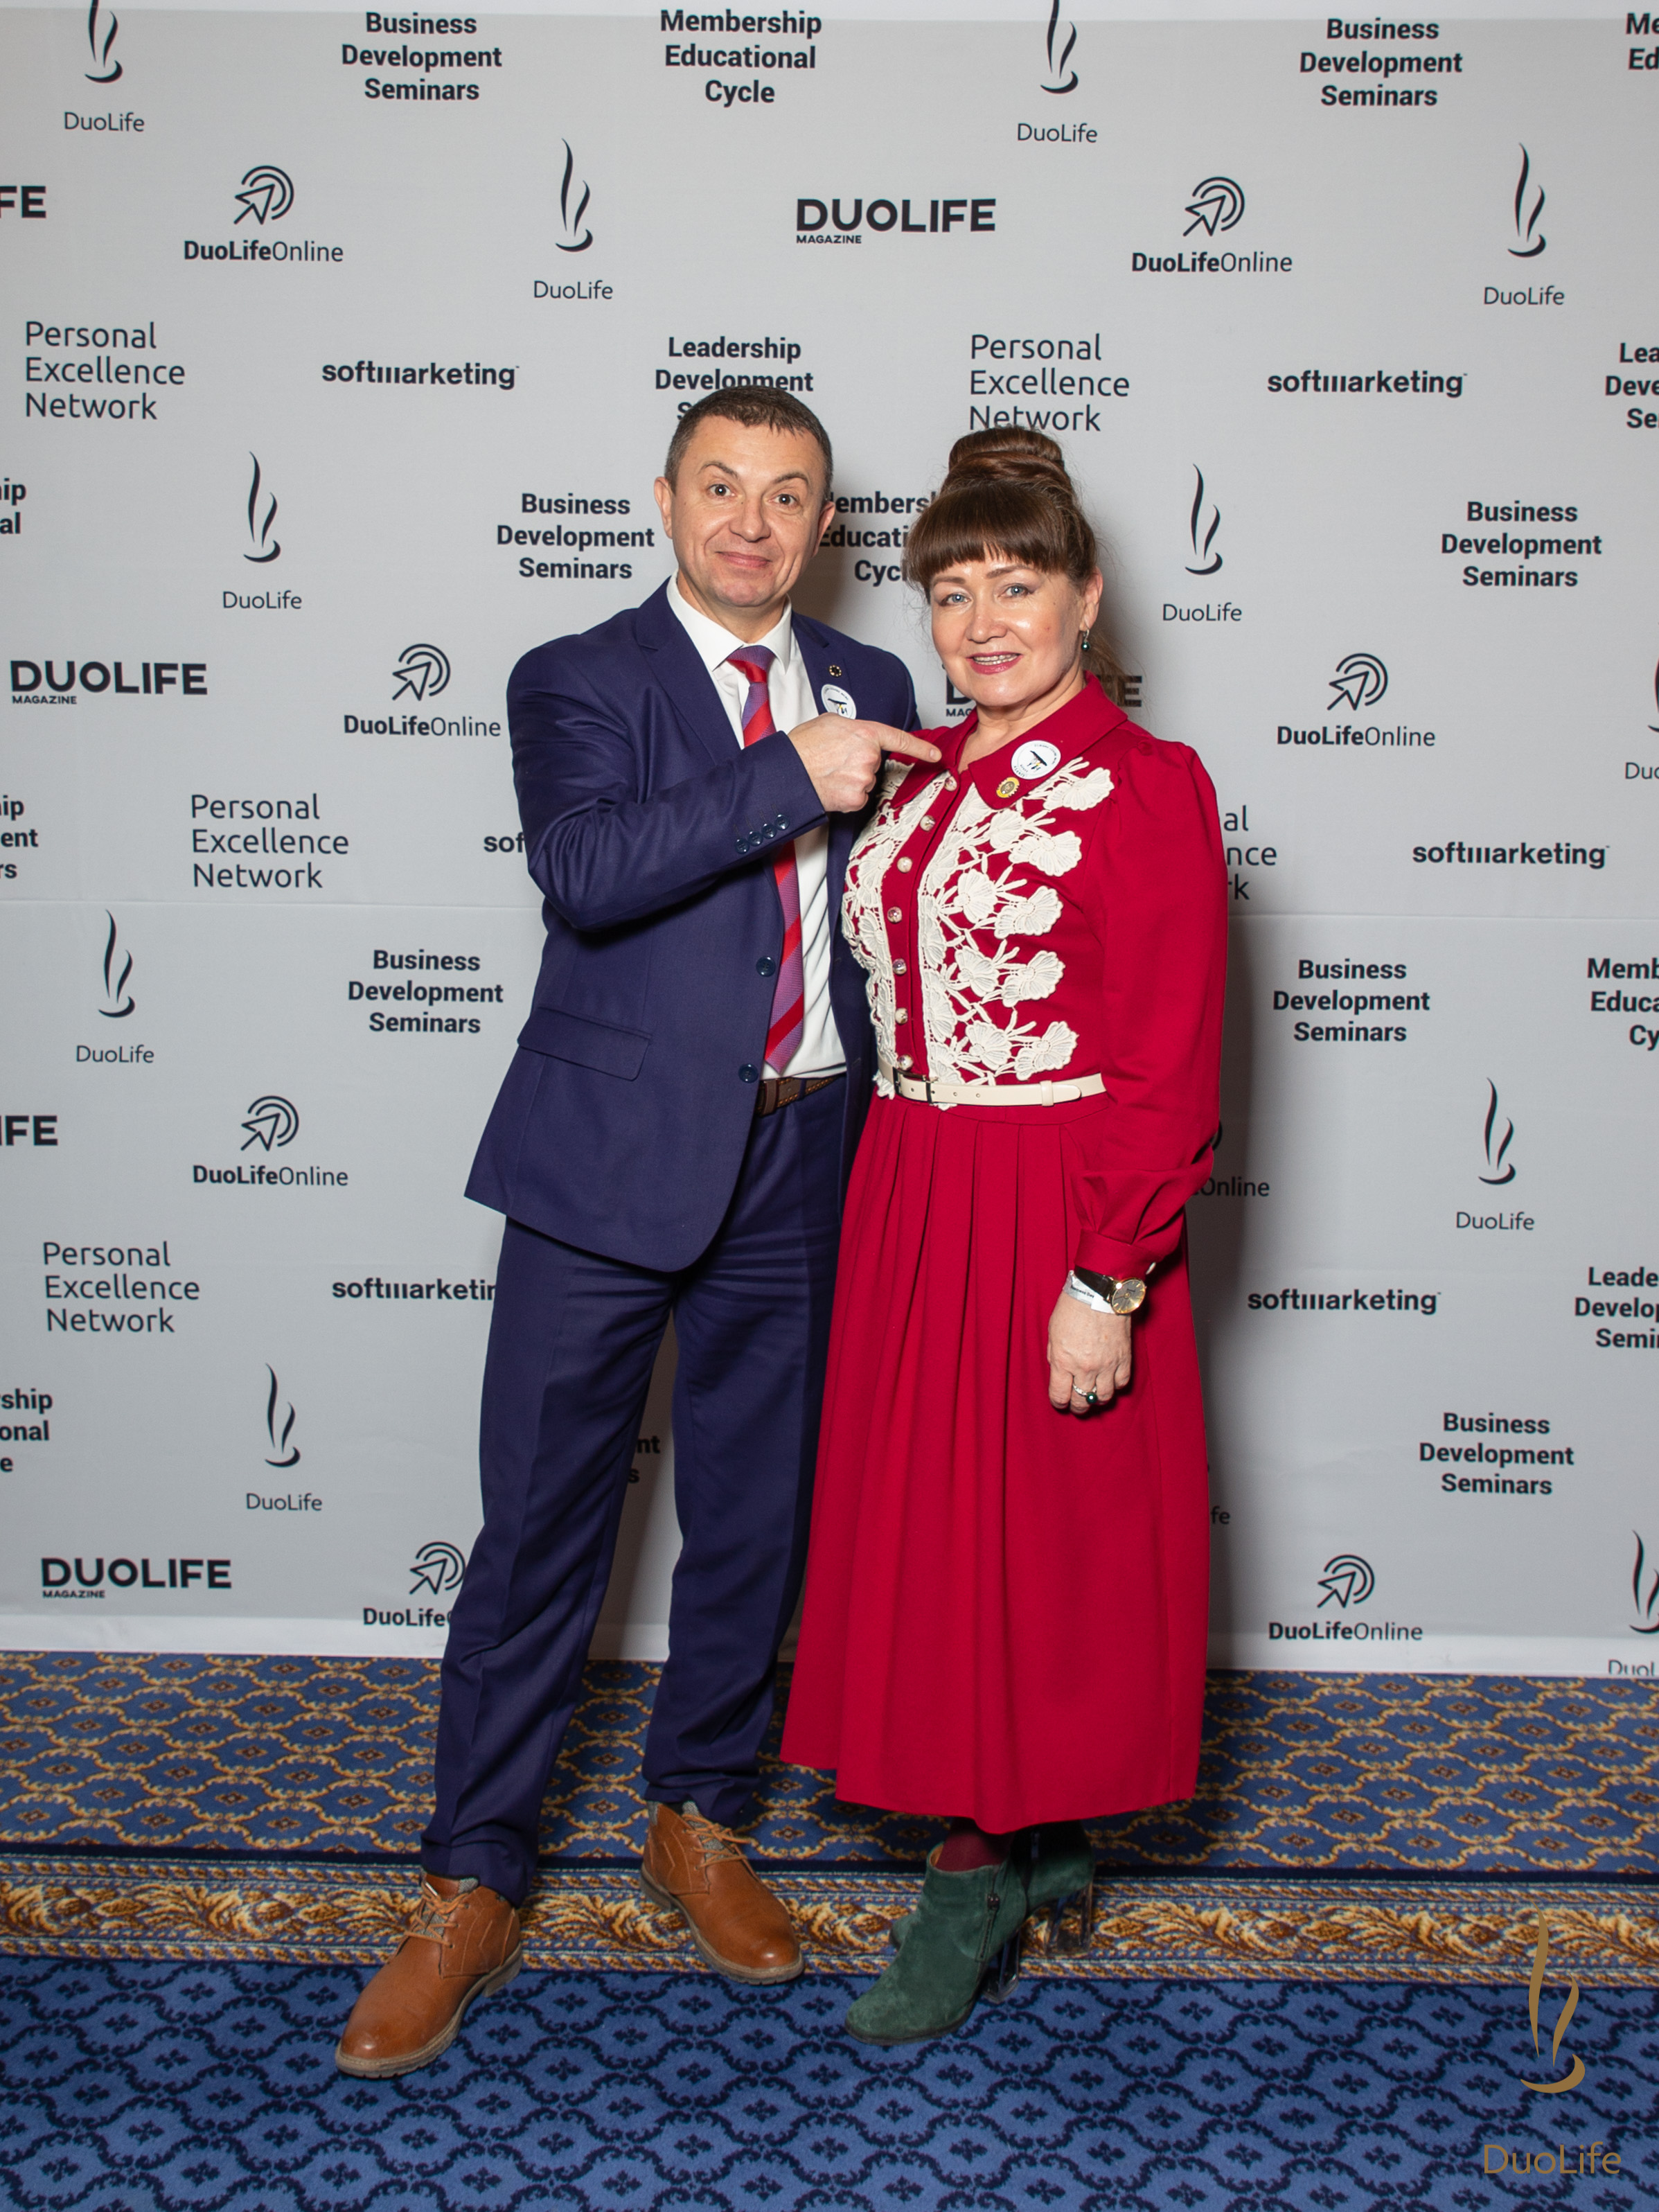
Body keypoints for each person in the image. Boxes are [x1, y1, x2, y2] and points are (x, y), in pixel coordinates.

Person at [335, 387, 934, 2078]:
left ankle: (699, 1815)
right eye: (721, 486)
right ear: (665, 501)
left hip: (808, 1148)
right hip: (605, 1165)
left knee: (755, 1519)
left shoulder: (876, 682)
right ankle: (471, 1877)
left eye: (788, 495)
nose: (752, 520)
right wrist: (788, 771)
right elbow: (588, 870)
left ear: (826, 524)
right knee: (539, 1527)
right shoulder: (578, 675)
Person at [782, 427, 1228, 2045]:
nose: (982, 622)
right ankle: (1029, 1835)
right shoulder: (917, 772)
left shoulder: (1145, 786)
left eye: (1017, 585)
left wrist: (1107, 1274)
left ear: (1087, 597)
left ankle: (973, 1872)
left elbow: (1168, 1058)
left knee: (1040, 1537)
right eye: (953, 590)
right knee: (944, 1534)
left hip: (1055, 1199)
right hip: (910, 1182)